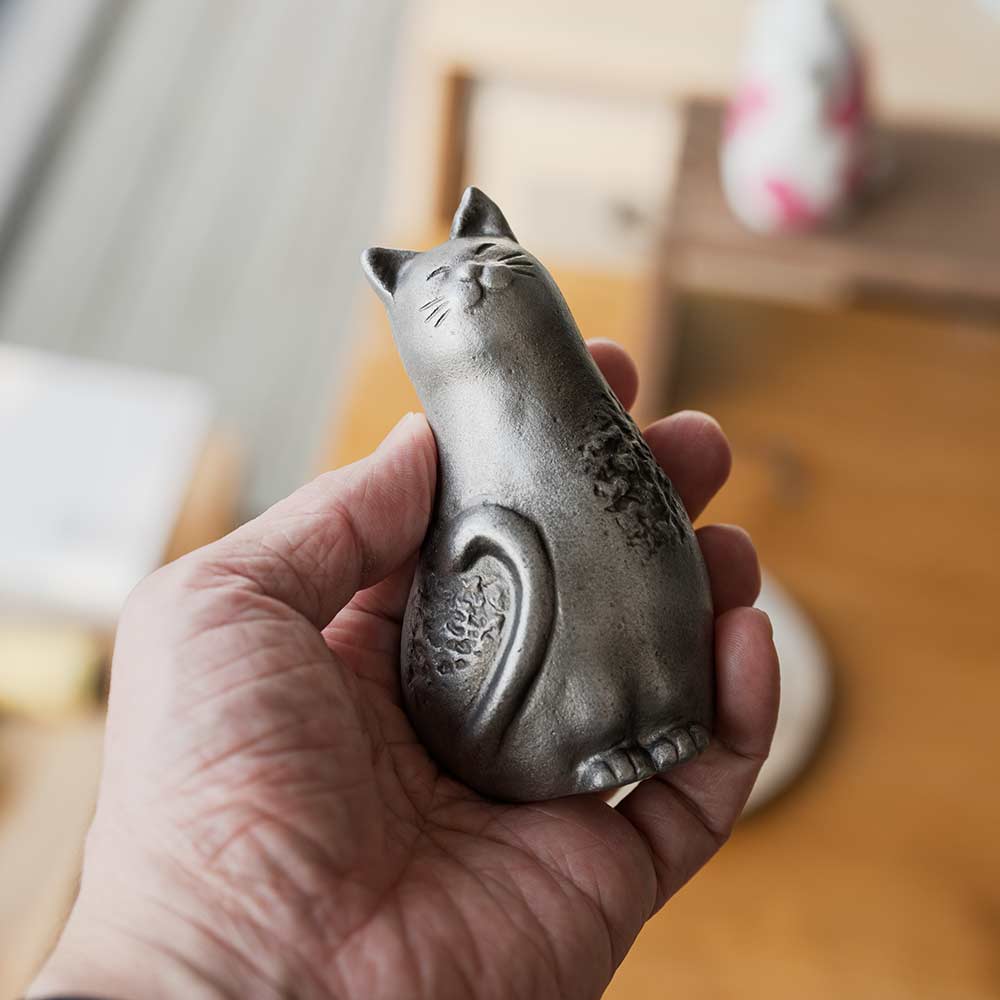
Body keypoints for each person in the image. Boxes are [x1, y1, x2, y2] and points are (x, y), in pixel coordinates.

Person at [29, 341, 778, 1000]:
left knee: (651, 587)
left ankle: (642, 718)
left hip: (560, 718)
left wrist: (197, 959)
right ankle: (593, 733)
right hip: (507, 731)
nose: (478, 286)